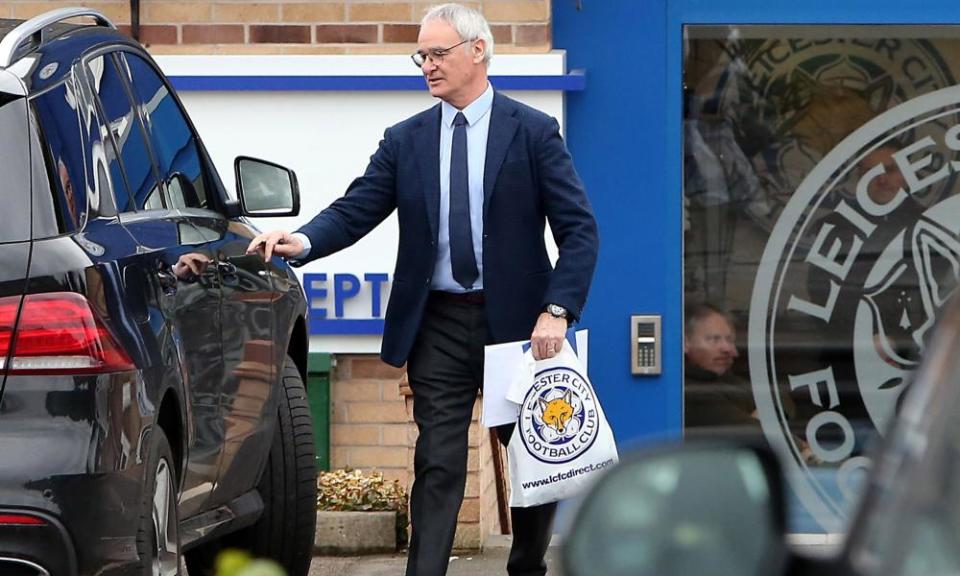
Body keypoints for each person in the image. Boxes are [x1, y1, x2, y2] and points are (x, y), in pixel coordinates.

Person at [246, 4, 599, 576]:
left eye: (438, 54)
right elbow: (357, 208)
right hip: (437, 321)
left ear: (477, 52)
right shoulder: (405, 140)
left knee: (534, 459)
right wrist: (303, 240)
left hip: (517, 328)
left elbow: (579, 231)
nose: (427, 66)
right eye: (422, 56)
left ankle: (527, 565)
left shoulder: (532, 132)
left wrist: (557, 310)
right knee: (437, 460)